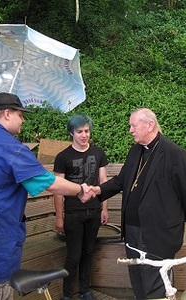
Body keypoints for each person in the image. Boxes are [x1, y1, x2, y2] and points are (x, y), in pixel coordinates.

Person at [0, 92, 94, 300]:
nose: (23, 121)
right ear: (7, 113)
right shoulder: (11, 148)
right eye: (20, 115)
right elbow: (48, 182)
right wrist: (80, 190)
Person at [92, 108, 186, 299]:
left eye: (133, 126)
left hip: (158, 231)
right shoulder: (136, 150)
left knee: (156, 282)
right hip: (132, 229)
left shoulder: (174, 153)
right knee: (137, 276)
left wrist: (173, 219)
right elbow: (122, 180)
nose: (130, 130)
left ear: (149, 125)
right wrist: (98, 190)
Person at [53, 114, 109, 300]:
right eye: (79, 132)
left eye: (87, 131)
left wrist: (104, 209)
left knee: (88, 251)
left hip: (93, 211)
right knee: (74, 255)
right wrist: (59, 217)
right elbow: (58, 189)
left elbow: (103, 182)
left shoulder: (98, 153)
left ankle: (85, 290)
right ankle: (67, 294)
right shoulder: (63, 157)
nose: (84, 135)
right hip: (73, 213)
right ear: (71, 133)